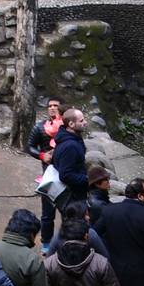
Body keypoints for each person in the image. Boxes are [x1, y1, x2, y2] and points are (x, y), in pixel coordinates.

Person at [37, 107, 89, 253]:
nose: (85, 122)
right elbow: (65, 175)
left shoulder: (70, 138)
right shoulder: (70, 146)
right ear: (71, 125)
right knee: (70, 227)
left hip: (73, 193)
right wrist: (86, 179)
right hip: (70, 194)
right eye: (81, 120)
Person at [86, 165, 112, 234]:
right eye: (106, 179)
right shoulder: (99, 204)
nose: (108, 181)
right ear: (97, 184)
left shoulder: (92, 195)